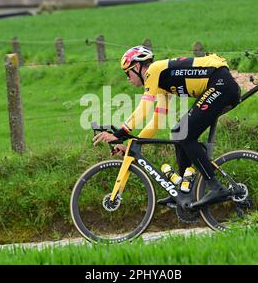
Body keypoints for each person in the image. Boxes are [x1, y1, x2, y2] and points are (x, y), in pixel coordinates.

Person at [93, 45, 241, 207]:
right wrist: (132, 144)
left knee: (184, 133)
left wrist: (119, 133)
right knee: (179, 132)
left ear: (136, 67)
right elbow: (156, 120)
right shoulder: (162, 82)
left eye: (127, 72)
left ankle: (215, 186)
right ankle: (183, 192)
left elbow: (143, 109)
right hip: (220, 86)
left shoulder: (154, 71)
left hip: (221, 85)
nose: (128, 78)